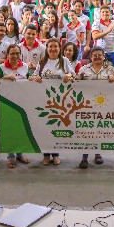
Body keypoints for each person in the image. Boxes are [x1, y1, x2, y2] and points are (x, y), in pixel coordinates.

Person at [0, 44, 40, 168]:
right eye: (12, 53)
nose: (15, 56)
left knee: (21, 128)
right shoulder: (1, 67)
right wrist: (4, 78)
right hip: (7, 103)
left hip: (22, 103)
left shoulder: (24, 66)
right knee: (9, 129)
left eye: (17, 53)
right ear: (7, 55)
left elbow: (28, 81)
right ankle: (10, 157)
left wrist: (33, 79)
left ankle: (20, 154)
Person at [31, 38, 75, 166]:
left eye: (55, 46)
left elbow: (73, 75)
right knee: (45, 127)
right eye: (50, 46)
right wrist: (36, 78)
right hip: (44, 99)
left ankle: (55, 155)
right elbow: (33, 76)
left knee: (56, 127)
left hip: (60, 100)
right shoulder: (42, 62)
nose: (53, 49)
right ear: (47, 48)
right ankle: (45, 155)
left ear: (59, 48)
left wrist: (69, 76)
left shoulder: (64, 61)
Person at [77, 46, 114, 168]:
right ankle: (84, 158)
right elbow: (76, 82)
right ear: (90, 57)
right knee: (86, 132)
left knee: (99, 130)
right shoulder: (84, 69)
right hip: (87, 104)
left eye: (100, 55)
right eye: (95, 55)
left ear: (104, 57)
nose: (97, 57)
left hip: (103, 105)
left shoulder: (110, 69)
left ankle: (97, 154)